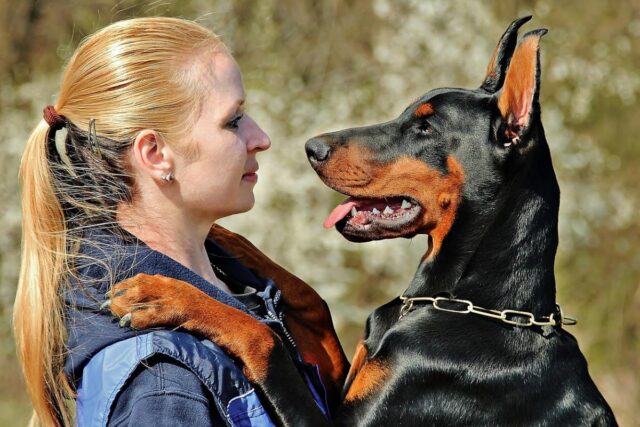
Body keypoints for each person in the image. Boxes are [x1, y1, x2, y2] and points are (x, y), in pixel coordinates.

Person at [14, 17, 344, 426]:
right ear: (155, 154)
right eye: (233, 120)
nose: (261, 138)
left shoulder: (241, 282)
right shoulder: (161, 381)